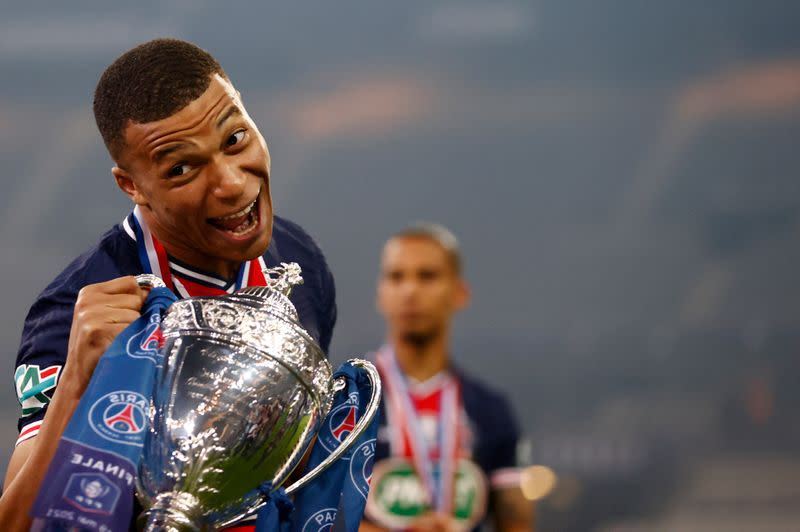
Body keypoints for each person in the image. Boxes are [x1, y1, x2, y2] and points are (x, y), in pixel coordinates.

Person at [0, 38, 336, 530]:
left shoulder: (300, 261)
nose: (232, 183)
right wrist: (76, 382)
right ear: (131, 185)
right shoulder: (76, 310)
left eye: (235, 139)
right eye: (181, 168)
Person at [361, 224, 533, 532]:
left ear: (459, 293)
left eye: (427, 276)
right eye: (396, 277)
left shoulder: (491, 410)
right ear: (381, 294)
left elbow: (517, 523)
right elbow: (314, 516)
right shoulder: (350, 400)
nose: (410, 290)